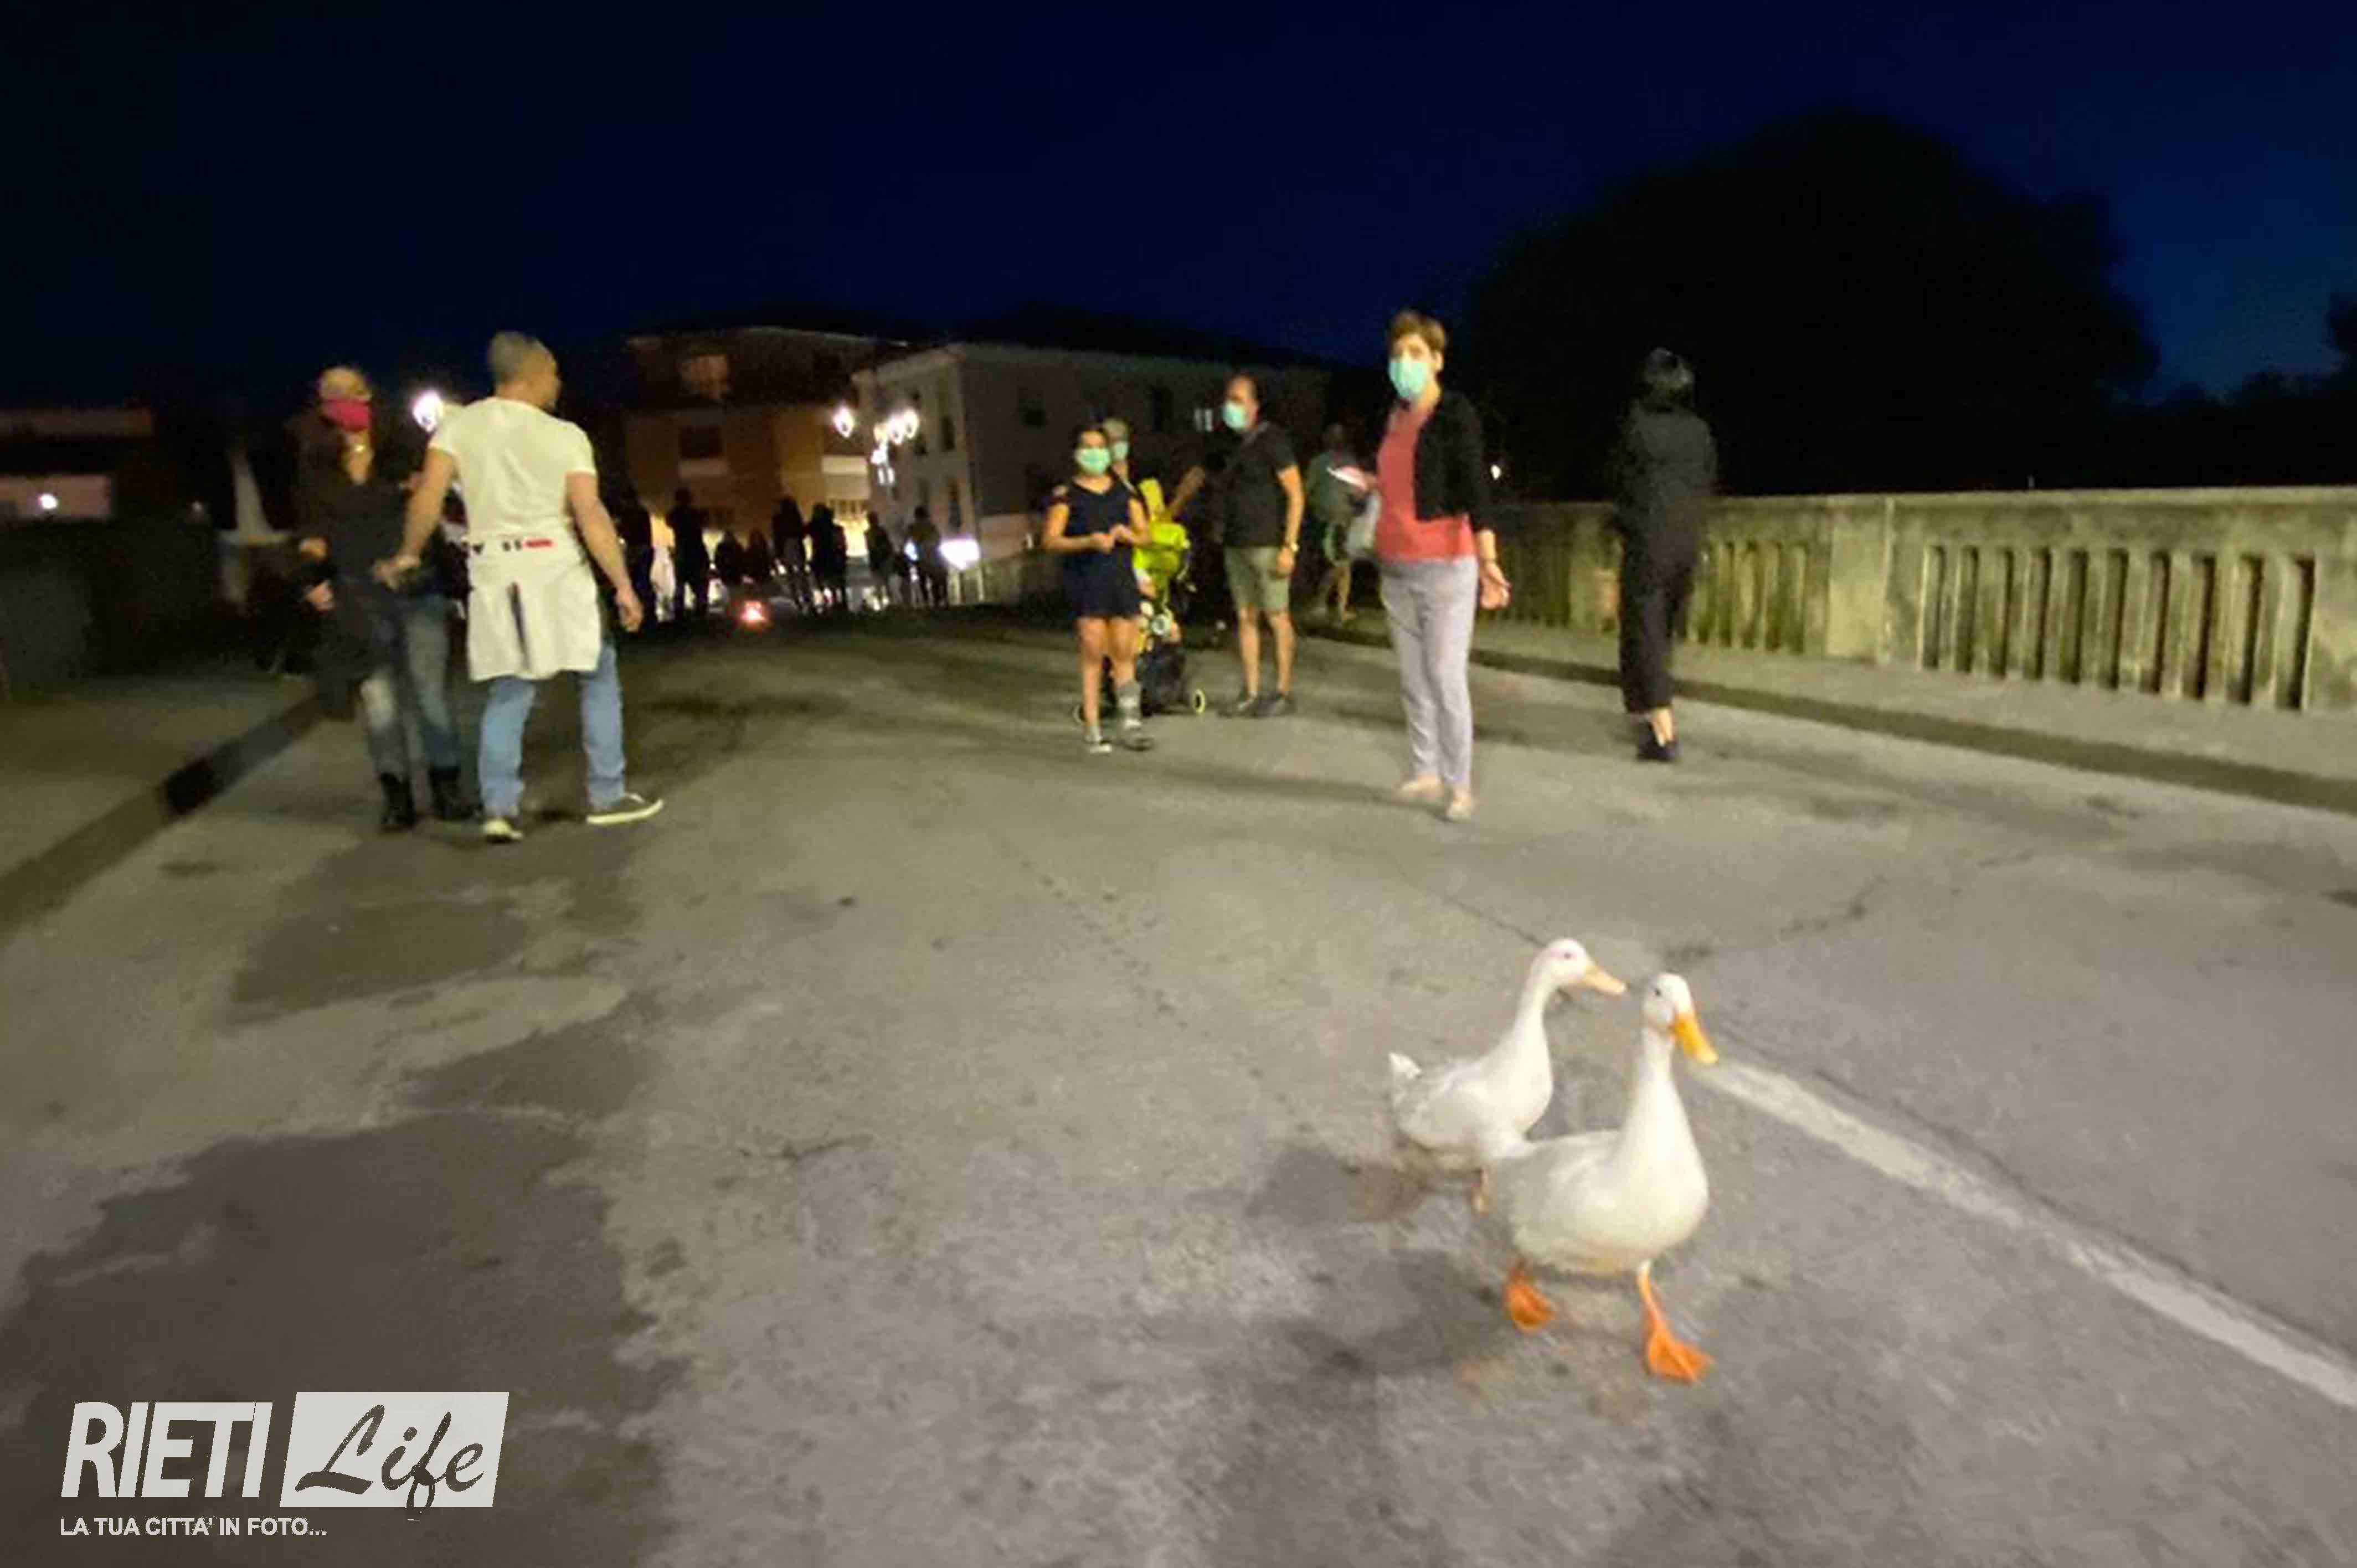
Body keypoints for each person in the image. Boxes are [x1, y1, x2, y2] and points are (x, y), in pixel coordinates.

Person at [381, 332, 661, 842]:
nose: (557, 383)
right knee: (597, 674)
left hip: (495, 570)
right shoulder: (565, 436)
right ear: (532, 374)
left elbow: (428, 498)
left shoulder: (457, 428)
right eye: (553, 373)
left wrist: (409, 551)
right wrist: (623, 584)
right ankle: (607, 793)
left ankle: (499, 807)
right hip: (556, 567)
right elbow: (590, 514)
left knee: (510, 688)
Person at [292, 364, 467, 829]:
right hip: (357, 597)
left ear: (367, 394)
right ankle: (397, 796)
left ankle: (447, 788)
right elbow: (313, 532)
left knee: (430, 694)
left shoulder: (405, 450)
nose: (340, 402)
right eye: (329, 395)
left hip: (416, 586)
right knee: (380, 703)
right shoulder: (317, 465)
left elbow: (435, 499)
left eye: (347, 392)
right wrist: (312, 579)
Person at [1371, 311, 1510, 823]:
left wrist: (1489, 560)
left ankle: (1460, 784)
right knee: (1413, 678)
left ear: (1437, 361)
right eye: (1397, 355)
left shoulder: (1454, 414)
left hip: (1447, 565)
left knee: (1445, 676)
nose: (1404, 364)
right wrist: (1370, 486)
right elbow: (1401, 483)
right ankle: (1426, 770)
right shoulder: (1394, 417)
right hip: (1396, 565)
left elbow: (1475, 487)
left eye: (1415, 354)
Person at [1166, 373, 1303, 716]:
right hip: (1236, 543)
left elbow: (1295, 494)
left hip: (1268, 544)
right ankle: (1251, 692)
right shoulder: (1224, 442)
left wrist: (1290, 546)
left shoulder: (1273, 440)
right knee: (1245, 617)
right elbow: (1198, 475)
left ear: (1255, 405)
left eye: (1239, 400)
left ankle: (1283, 692)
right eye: (1229, 399)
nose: (1232, 406)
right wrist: (1170, 511)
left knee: (1277, 616)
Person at [1609, 349, 1718, 763]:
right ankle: (1646, 710)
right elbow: (1708, 480)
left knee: (1645, 630)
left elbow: (1621, 482)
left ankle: (1662, 729)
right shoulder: (1700, 432)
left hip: (1648, 540)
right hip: (1688, 540)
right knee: (1665, 630)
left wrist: (1623, 523)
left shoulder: (1637, 426)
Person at [1043, 425, 1152, 754]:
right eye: (1087, 447)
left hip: (1120, 578)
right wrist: (1088, 542)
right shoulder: (1067, 496)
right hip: (1086, 580)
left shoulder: (1125, 493)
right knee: (1093, 651)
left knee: (1124, 651)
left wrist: (1128, 536)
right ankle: (1093, 726)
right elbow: (1051, 540)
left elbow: (1146, 534)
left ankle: (1131, 723)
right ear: (1077, 453)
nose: (1094, 454)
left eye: (1099, 447)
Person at [1305, 421, 1368, 625]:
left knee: (1344, 565)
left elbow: (1359, 493)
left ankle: (1339, 609)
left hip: (1344, 521)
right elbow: (1307, 491)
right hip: (1330, 522)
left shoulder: (1346, 462)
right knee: (1341, 565)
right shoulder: (1320, 463)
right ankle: (1321, 603)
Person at [668, 487, 711, 623]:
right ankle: (699, 610)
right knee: (699, 585)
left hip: (685, 553)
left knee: (682, 584)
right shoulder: (694, 515)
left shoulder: (675, 515)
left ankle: (681, 611)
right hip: (695, 553)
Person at [770, 494, 811, 612]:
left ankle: (797, 599)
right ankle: (805, 598)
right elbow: (802, 533)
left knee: (792, 575)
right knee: (800, 575)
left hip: (786, 547)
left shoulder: (778, 518)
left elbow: (776, 537)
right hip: (795, 545)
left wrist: (778, 553)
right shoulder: (795, 516)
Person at [809, 502, 849, 611]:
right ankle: (839, 602)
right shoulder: (832, 529)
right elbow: (842, 544)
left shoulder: (819, 529)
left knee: (830, 580)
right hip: (830, 556)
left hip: (826, 556)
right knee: (835, 581)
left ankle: (834, 602)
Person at [907, 506, 946, 606]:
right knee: (934, 579)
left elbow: (908, 540)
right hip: (933, 557)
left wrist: (910, 556)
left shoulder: (913, 528)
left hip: (922, 557)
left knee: (923, 580)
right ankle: (936, 601)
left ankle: (927, 601)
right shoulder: (931, 527)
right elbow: (938, 540)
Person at [863, 513, 898, 606]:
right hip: (882, 560)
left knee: (881, 584)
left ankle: (884, 604)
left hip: (879, 561)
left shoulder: (870, 533)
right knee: (884, 583)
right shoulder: (880, 532)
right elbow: (887, 545)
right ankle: (888, 603)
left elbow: (871, 547)